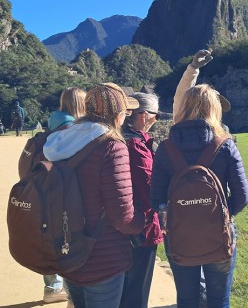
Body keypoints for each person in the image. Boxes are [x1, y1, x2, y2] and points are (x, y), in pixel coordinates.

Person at [43, 83, 145, 308]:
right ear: (117, 115)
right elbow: (123, 216)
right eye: (125, 113)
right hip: (102, 257)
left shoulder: (61, 141)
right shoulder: (111, 147)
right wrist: (145, 220)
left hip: (67, 249)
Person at [151, 84, 248, 308]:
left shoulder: (166, 149)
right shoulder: (225, 145)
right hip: (219, 235)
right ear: (215, 110)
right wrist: (221, 214)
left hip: (179, 236)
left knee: (186, 300)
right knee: (219, 301)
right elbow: (242, 196)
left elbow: (156, 198)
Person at [43, 87, 86, 307]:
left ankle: (53, 286)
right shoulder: (75, 132)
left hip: (49, 193)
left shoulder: (52, 127)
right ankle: (73, 297)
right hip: (69, 196)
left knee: (55, 242)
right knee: (73, 246)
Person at [119, 92, 163, 308]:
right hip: (141, 224)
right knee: (138, 287)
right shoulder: (136, 145)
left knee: (125, 284)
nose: (156, 120)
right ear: (144, 115)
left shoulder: (121, 138)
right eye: (155, 116)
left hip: (123, 222)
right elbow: (150, 187)